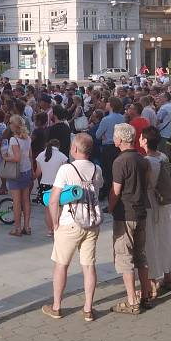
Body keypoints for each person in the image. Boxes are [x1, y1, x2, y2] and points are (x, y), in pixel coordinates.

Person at [43, 133, 103, 322]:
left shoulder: (66, 169)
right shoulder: (97, 169)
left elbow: (53, 200)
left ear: (75, 149)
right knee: (89, 266)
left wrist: (54, 223)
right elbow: (98, 189)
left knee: (61, 265)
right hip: (91, 223)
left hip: (69, 222)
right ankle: (88, 309)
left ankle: (57, 306)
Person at [108, 123, 149, 314]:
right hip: (141, 210)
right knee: (140, 255)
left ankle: (132, 300)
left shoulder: (120, 161)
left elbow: (116, 190)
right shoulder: (142, 159)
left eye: (115, 136)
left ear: (121, 139)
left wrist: (110, 206)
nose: (113, 138)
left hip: (125, 213)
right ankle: (146, 294)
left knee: (125, 257)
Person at [139, 127, 171, 298]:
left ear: (146, 141)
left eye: (141, 138)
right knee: (165, 238)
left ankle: (153, 281)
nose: (140, 140)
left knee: (151, 241)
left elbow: (143, 184)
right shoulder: (163, 157)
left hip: (150, 203)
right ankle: (168, 277)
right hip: (162, 202)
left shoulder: (146, 161)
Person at [3, 114, 33, 236]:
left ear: (14, 125)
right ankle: (27, 226)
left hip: (16, 172)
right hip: (27, 170)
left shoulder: (14, 140)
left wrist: (5, 157)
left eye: (10, 122)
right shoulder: (28, 138)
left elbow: (16, 158)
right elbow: (30, 156)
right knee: (26, 200)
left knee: (16, 201)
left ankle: (17, 228)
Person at [34, 139, 68, 237]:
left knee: (48, 210)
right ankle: (57, 228)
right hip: (58, 185)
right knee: (59, 208)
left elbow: (38, 172)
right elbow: (65, 173)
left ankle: (50, 230)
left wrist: (32, 178)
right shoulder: (62, 156)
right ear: (58, 146)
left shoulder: (40, 155)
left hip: (44, 184)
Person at [95, 97, 125, 200]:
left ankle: (110, 195)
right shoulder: (122, 118)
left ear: (111, 105)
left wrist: (104, 135)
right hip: (119, 147)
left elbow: (98, 135)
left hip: (108, 147)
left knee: (107, 173)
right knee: (117, 171)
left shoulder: (106, 119)